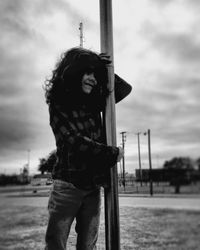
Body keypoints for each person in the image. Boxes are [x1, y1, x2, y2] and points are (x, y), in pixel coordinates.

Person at [44, 47, 131, 250]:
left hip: (92, 186)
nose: (92, 79)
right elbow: (74, 142)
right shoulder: (59, 102)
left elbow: (123, 90)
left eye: (95, 75)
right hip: (67, 186)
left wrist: (103, 69)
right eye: (87, 72)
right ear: (74, 71)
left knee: (88, 246)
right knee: (55, 245)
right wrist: (113, 153)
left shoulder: (94, 101)